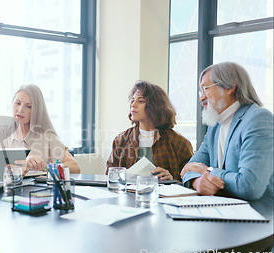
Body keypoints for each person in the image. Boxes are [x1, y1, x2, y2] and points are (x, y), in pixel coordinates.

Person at [181, 62, 273, 200]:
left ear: (229, 86)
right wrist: (197, 182)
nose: (201, 98)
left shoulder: (258, 119)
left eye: (205, 88)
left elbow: (249, 186)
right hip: (222, 211)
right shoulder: (215, 126)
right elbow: (188, 169)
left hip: (257, 216)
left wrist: (207, 171)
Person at [106, 80, 194, 181]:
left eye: (141, 101)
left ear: (155, 106)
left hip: (164, 196)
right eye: (133, 100)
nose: (133, 105)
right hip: (128, 196)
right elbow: (109, 177)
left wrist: (173, 180)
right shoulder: (120, 140)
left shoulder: (179, 143)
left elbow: (190, 182)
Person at [0, 84, 80, 173]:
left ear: (36, 110)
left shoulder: (47, 136)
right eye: (18, 103)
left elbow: (75, 167)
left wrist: (45, 167)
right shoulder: (3, 133)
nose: (20, 109)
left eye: (28, 106)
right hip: (9, 186)